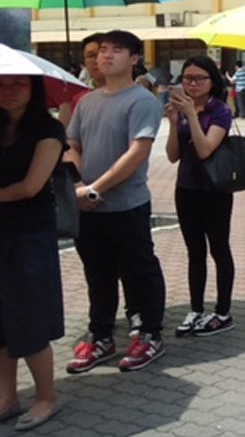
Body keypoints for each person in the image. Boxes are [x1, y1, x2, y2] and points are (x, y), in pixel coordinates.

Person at [65, 30, 167, 373]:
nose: (106, 56)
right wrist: (81, 185)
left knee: (139, 271)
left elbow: (138, 151)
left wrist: (97, 188)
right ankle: (101, 335)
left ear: (135, 58)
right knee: (98, 273)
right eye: (102, 50)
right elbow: (72, 145)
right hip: (88, 207)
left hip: (127, 205)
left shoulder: (142, 101)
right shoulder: (88, 101)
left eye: (116, 50)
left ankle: (150, 333)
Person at [0, 75, 65, 430]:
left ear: (33, 89)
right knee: (0, 323)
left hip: (29, 236)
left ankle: (46, 398)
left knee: (29, 320)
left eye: (17, 84)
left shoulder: (49, 133)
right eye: (0, 85)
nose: (8, 91)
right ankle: (7, 397)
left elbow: (30, 187)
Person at [165, 56, 238, 334]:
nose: (192, 84)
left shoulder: (220, 111)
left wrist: (193, 116)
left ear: (212, 82)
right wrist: (174, 123)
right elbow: (173, 156)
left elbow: (206, 148)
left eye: (199, 79)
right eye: (187, 79)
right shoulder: (182, 110)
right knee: (195, 251)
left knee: (219, 248)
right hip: (186, 188)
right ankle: (196, 309)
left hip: (215, 190)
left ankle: (223, 311)